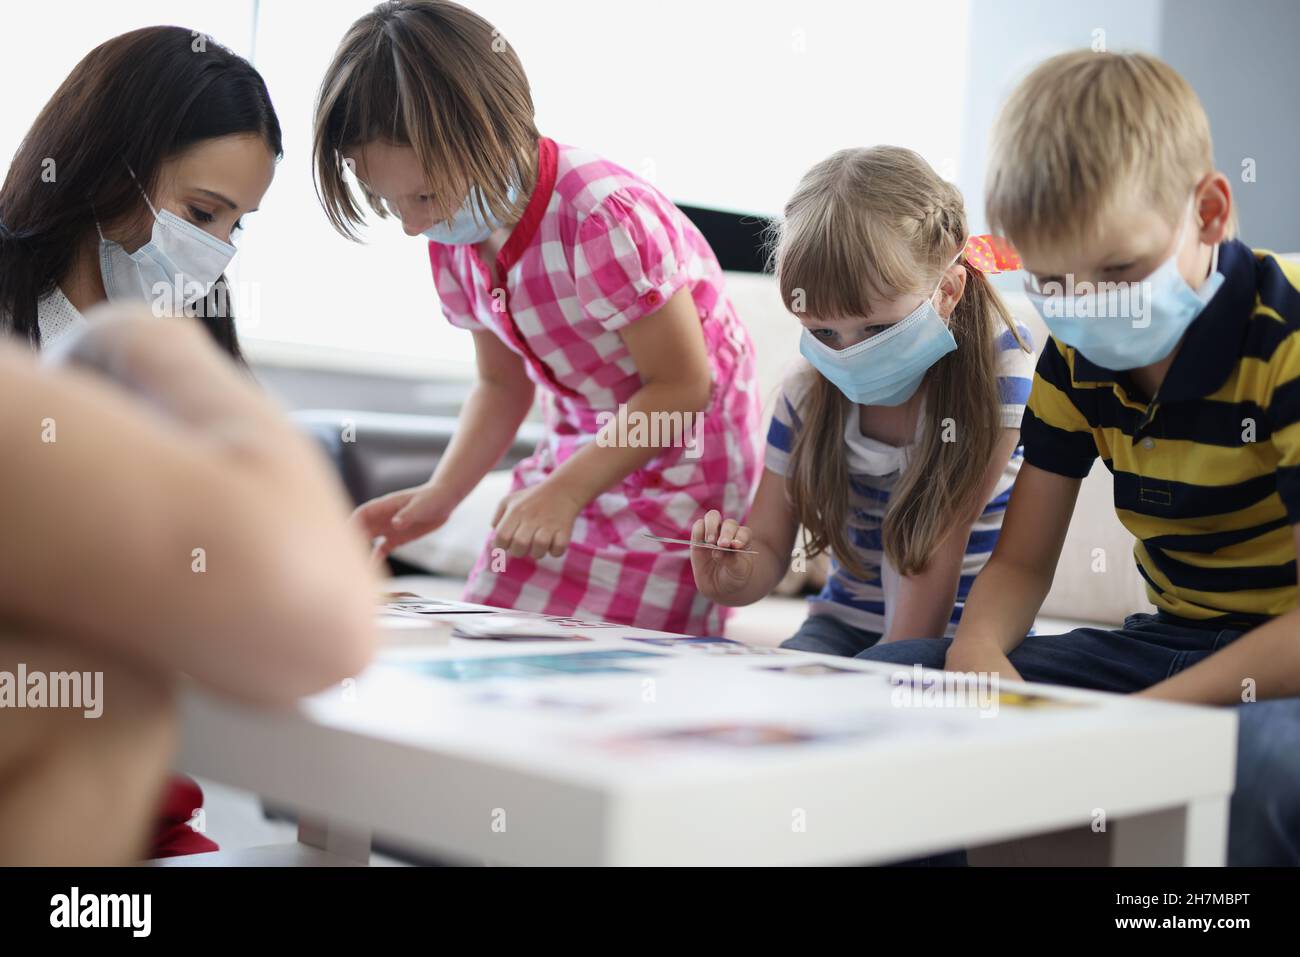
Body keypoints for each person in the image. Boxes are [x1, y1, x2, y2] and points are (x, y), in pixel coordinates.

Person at [317, 1, 761, 635]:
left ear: (492, 134)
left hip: (687, 462)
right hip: (582, 447)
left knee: (618, 660)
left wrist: (566, 491)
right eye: (389, 204)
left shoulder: (603, 217)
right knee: (490, 623)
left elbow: (683, 387)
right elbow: (501, 385)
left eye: (423, 196)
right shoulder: (451, 239)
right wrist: (440, 497)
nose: (413, 224)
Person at [691, 146, 1032, 654]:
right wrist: (733, 575)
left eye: (879, 327)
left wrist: (882, 675)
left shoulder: (999, 366)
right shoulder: (806, 392)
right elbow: (767, 546)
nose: (850, 353)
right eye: (824, 331)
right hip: (840, 625)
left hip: (961, 640)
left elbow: (934, 545)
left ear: (948, 291)